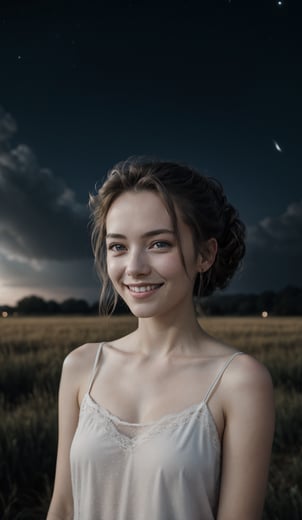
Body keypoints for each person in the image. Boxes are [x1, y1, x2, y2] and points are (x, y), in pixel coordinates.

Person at [47, 157, 275, 520]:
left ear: (205, 254)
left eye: (158, 244)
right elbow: (63, 507)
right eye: (118, 246)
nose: (134, 267)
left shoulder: (240, 381)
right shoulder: (81, 367)